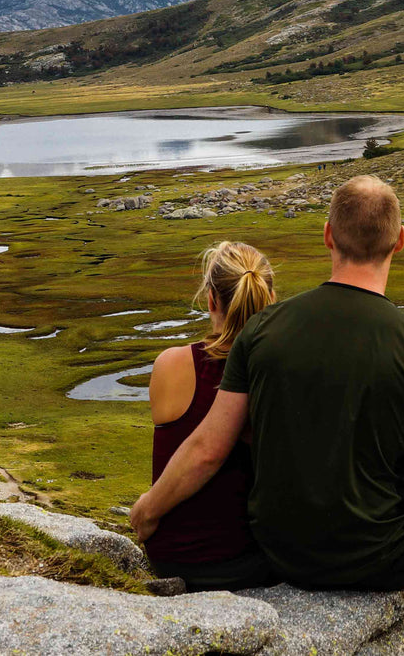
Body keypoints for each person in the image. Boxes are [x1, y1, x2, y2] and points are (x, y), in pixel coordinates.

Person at [131, 176, 404, 656]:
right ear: (401, 240)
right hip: (377, 556)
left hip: (278, 551)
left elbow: (207, 447)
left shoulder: (262, 330)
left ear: (328, 234)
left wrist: (147, 510)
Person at [143, 241, 276, 591]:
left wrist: (145, 512)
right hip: (255, 561)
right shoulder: (277, 372)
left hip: (173, 557)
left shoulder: (171, 365)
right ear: (270, 298)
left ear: (211, 300)